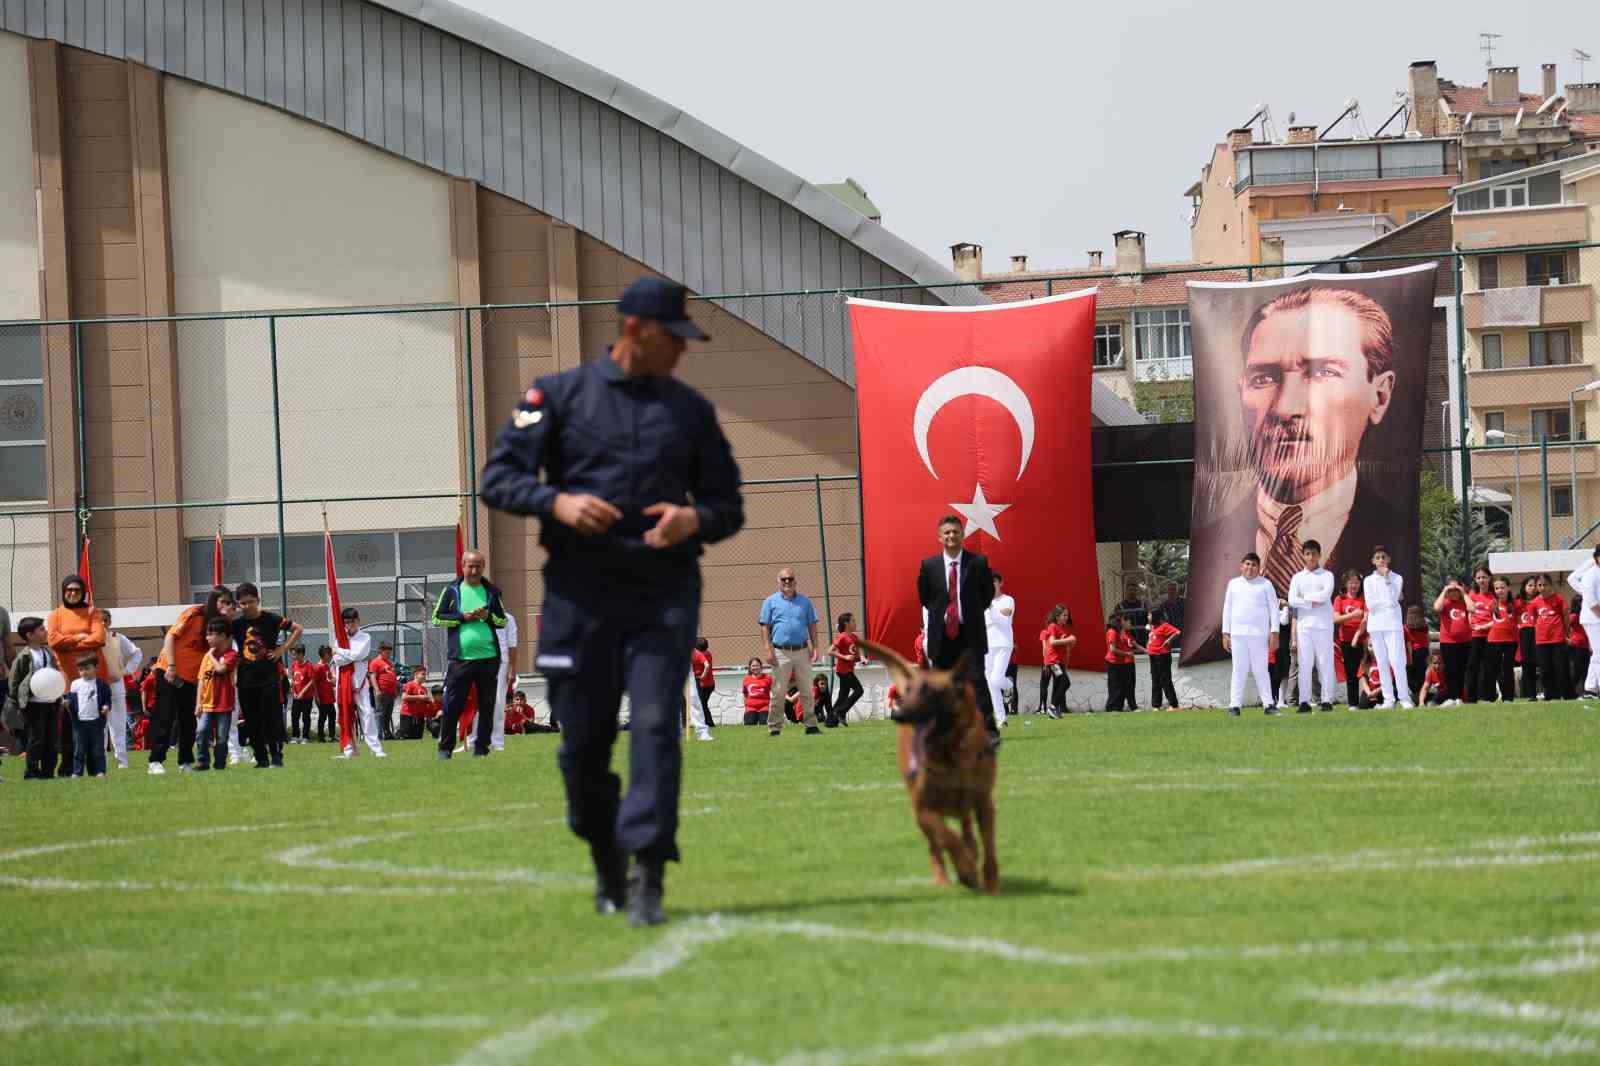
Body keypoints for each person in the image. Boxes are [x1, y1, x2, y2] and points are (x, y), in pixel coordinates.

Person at [479, 275, 744, 928]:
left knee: (656, 725)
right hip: (581, 596)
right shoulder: (559, 397)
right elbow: (499, 478)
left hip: (663, 594)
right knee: (583, 748)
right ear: (634, 331)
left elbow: (728, 505)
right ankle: (607, 861)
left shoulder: (691, 412)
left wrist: (693, 520)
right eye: (671, 338)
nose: (682, 352)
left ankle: (649, 869)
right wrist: (557, 501)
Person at [917, 514, 999, 739]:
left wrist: (968, 614)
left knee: (977, 681)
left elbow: (987, 595)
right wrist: (943, 615)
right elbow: (925, 597)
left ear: (963, 534)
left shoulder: (978, 562)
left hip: (969, 634)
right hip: (941, 635)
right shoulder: (929, 566)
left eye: (955, 531)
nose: (951, 536)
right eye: (947, 532)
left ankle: (989, 731)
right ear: (940, 537)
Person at [148, 586, 234, 775]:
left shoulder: (221, 625)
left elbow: (226, 650)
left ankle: (185, 761)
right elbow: (170, 637)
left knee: (188, 721)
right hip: (170, 672)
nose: (226, 606)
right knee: (166, 717)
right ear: (213, 601)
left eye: (229, 603)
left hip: (192, 679)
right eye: (223, 602)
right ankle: (156, 761)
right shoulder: (194, 613)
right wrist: (171, 666)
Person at [431, 550, 508, 760]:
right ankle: (445, 750)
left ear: (483, 567)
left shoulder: (492, 591)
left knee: (487, 706)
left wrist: (487, 616)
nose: (474, 570)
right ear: (463, 566)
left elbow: (503, 621)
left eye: (478, 566)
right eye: (470, 566)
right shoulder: (451, 590)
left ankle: (481, 750)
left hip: (489, 659)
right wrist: (461, 618)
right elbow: (436, 619)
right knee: (453, 706)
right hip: (460, 660)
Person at [231, 582, 301, 769]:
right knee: (251, 720)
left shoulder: (271, 619)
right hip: (245, 679)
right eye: (242, 603)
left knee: (271, 717)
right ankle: (261, 758)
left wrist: (282, 649)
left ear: (257, 600)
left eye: (250, 602)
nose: (247, 606)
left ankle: (276, 756)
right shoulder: (236, 623)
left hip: (268, 677)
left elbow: (297, 629)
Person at [45, 574, 105, 777]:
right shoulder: (56, 614)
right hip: (67, 682)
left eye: (77, 590)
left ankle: (95, 769)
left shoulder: (92, 611)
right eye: (69, 590)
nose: (72, 593)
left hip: (91, 682)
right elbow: (53, 641)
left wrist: (67, 642)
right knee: (68, 730)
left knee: (92, 729)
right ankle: (67, 769)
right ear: (63, 591)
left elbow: (99, 637)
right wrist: (80, 637)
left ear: (83, 593)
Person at [759, 569, 822, 737]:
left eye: (790, 578)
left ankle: (811, 725)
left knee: (807, 690)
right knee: (778, 692)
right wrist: (768, 649)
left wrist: (815, 647)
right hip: (780, 652)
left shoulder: (805, 602)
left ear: (795, 581)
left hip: (802, 650)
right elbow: (765, 626)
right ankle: (774, 727)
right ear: (778, 581)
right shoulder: (770, 602)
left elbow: (812, 625)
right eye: (784, 579)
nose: (787, 581)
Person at [1221, 552, 1279, 716]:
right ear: (1241, 566)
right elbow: (1227, 609)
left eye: (1253, 565)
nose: (1250, 568)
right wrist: (1226, 632)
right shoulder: (1233, 584)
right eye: (1247, 564)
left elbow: (1274, 610)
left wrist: (1274, 632)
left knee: (1261, 670)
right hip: (1238, 634)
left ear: (1259, 568)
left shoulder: (1266, 584)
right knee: (1239, 670)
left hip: (1259, 635)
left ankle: (1269, 705)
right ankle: (1234, 706)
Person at [1357, 546, 1413, 710]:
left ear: (1388, 560)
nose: (1381, 560)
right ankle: (1389, 699)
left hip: (1393, 624)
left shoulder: (1397, 578)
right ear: (1373, 561)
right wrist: (1386, 603)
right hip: (1376, 625)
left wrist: (1386, 578)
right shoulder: (1368, 580)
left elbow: (1393, 598)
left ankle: (1404, 698)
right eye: (1378, 557)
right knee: (1381, 662)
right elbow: (1371, 604)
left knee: (1397, 660)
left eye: (1383, 557)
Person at [1287, 539, 1337, 714]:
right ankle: (1304, 701)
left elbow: (1325, 595)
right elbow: (1292, 599)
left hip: (1323, 625)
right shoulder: (1297, 577)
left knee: (1325, 663)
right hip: (1304, 625)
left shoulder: (1327, 575)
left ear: (1319, 554)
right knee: (1305, 663)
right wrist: (1309, 603)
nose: (1311, 557)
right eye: (1307, 553)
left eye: (1314, 553)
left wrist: (1305, 598)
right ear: (1303, 556)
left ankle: (1326, 700)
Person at [330, 608, 387, 759]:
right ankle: (349, 749)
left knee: (367, 715)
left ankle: (376, 749)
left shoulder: (365, 637)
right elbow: (337, 660)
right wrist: (348, 655)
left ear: (358, 621)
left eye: (353, 622)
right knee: (343, 716)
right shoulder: (340, 638)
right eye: (347, 622)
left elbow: (358, 654)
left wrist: (341, 652)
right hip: (344, 684)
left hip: (360, 684)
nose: (350, 625)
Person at [94, 609, 142, 770]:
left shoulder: (118, 638)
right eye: (99, 620)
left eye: (105, 620)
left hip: (116, 685)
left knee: (118, 725)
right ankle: (101, 762)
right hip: (96, 686)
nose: (102, 623)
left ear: (110, 622)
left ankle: (122, 761)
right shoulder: (90, 639)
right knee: (100, 726)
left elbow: (137, 653)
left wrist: (126, 671)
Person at [10, 619, 56, 779]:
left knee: (51, 739)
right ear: (30, 635)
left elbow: (54, 674)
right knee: (36, 739)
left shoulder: (48, 652)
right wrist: (17, 705)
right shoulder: (23, 656)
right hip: (33, 704)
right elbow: (14, 681)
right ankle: (31, 772)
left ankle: (48, 772)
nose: (45, 632)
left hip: (51, 702)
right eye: (41, 629)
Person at [194, 618, 239, 772]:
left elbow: (220, 669)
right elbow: (201, 680)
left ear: (223, 636)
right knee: (201, 731)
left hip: (223, 704)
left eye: (211, 634)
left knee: (221, 737)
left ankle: (220, 764)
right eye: (207, 635)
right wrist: (198, 703)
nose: (208, 638)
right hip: (206, 704)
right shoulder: (207, 657)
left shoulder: (231, 654)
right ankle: (202, 762)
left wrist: (211, 656)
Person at [64, 653, 110, 778]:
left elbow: (107, 699)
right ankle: (77, 772)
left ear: (96, 668)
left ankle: (100, 771)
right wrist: (67, 702)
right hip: (79, 724)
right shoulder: (75, 684)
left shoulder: (101, 685)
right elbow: (71, 699)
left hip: (96, 722)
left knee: (98, 749)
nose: (84, 672)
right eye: (80, 669)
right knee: (79, 750)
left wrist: (106, 707)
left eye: (87, 668)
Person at [982, 573, 1016, 730]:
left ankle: (1008, 684)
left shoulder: (1007, 600)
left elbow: (1004, 620)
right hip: (987, 645)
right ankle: (1001, 719)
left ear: (1000, 583)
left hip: (1003, 643)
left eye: (993, 582)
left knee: (996, 680)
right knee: (990, 684)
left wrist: (991, 608)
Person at [1567, 546, 1600, 697]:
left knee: (1597, 654)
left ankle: (1590, 688)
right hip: (1593, 618)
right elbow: (1572, 579)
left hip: (1595, 615)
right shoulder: (1590, 571)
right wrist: (1586, 593)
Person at [1433, 580, 1472, 708]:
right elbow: (1436, 607)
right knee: (1450, 670)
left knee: (1461, 670)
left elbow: (1473, 608)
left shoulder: (1464, 603)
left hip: (1464, 641)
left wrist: (1463, 592)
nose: (1454, 593)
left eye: (1456, 591)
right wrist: (1445, 590)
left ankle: (1459, 698)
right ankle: (1451, 697)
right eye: (1451, 591)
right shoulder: (1445, 603)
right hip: (1448, 641)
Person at [1532, 574, 1570, 701]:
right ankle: (1550, 694)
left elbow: (1565, 616)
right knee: (1545, 669)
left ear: (1550, 585)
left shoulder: (1558, 599)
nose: (1542, 588)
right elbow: (1534, 619)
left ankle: (1566, 694)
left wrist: (1566, 632)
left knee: (1561, 667)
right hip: (1542, 640)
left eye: (1545, 585)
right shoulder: (1534, 602)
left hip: (1557, 638)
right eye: (1540, 585)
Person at [1332, 570, 1367, 708]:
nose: (1354, 585)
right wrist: (1354, 615)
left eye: (1357, 583)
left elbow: (1365, 618)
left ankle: (1369, 701)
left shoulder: (1364, 597)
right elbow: (1336, 619)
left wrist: (1359, 620)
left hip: (1363, 639)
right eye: (1351, 582)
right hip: (1346, 640)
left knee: (1366, 671)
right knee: (1351, 672)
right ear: (1345, 584)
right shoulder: (1339, 599)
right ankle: (1353, 703)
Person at [1464, 566, 1496, 703]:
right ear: (1475, 580)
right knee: (1472, 667)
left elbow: (1498, 618)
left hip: (1491, 636)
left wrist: (1484, 626)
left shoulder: (1495, 596)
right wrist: (1471, 623)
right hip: (1475, 637)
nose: (1482, 580)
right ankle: (1471, 699)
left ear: (1489, 578)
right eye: (1479, 578)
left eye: (1484, 577)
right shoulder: (1471, 595)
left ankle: (1489, 697)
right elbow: (1468, 614)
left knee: (1490, 667)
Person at [1486, 578, 1519, 703]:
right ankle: (1489, 697)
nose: (1500, 591)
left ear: (1508, 588)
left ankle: (1508, 697)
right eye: (1497, 588)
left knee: (1507, 669)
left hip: (1511, 641)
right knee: (1492, 669)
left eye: (1502, 587)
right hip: (1494, 641)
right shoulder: (1492, 604)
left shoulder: (1515, 604)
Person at [490, 614, 520, 753]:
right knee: (477, 702)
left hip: (501, 661)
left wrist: (512, 670)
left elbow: (512, 645)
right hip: (479, 660)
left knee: (498, 701)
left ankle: (497, 741)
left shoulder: (508, 618)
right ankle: (474, 739)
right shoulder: (479, 615)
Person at [1103, 612, 1144, 712]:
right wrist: (1127, 654)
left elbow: (1133, 646)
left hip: (1120, 663)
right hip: (1113, 663)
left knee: (1121, 687)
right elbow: (1113, 649)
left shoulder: (1119, 632)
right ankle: (1111, 707)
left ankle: (1118, 707)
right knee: (1114, 686)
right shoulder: (1112, 632)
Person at [1039, 606, 1075, 718]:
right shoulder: (1052, 626)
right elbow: (1052, 642)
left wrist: (1070, 643)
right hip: (1053, 661)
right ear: (1057, 616)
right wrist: (1069, 640)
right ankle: (1052, 707)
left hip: (1059, 662)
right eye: (1064, 615)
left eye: (1067, 615)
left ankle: (1054, 709)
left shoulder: (1062, 629)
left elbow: (1065, 646)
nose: (1066, 617)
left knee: (1060, 683)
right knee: (1065, 682)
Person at [829, 614, 864, 727]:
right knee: (859, 690)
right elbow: (830, 651)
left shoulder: (854, 637)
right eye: (853, 621)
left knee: (842, 697)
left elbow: (857, 653)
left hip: (849, 670)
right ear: (846, 624)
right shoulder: (842, 636)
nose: (855, 623)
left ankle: (830, 721)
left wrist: (862, 658)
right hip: (843, 671)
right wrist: (845, 657)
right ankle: (840, 712)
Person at [1147, 608, 1181, 710]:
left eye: (1149, 615)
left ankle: (1174, 705)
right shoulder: (1152, 627)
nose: (1148, 617)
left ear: (1155, 617)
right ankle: (1156, 705)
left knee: (1165, 680)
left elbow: (1177, 632)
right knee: (1155, 679)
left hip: (1162, 656)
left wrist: (1168, 640)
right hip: (1153, 656)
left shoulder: (1164, 626)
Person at [369, 642, 399, 743]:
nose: (389, 655)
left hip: (391, 693)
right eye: (387, 653)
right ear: (381, 651)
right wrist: (377, 690)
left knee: (387, 714)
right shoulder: (375, 662)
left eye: (390, 653)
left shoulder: (389, 663)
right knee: (380, 714)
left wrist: (395, 690)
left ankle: (387, 733)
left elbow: (393, 677)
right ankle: (378, 735)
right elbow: (372, 676)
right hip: (382, 692)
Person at [1517, 577, 1541, 699]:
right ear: (1524, 587)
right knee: (1527, 665)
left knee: (1542, 664)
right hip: (1524, 634)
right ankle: (1531, 694)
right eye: (1529, 585)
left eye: (1534, 585)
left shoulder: (1541, 600)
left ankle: (1550, 692)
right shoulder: (1518, 602)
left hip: (1539, 633)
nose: (1532, 588)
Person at [1404, 605, 1432, 705]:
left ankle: (1416, 698)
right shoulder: (1425, 626)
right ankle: (1423, 697)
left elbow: (1409, 645)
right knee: (1423, 677)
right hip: (1424, 652)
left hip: (1414, 653)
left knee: (1413, 678)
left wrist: (1410, 660)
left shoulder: (1406, 627)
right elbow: (1428, 640)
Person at [288, 645, 315, 744]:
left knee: (305, 717)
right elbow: (292, 678)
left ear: (301, 654)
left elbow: (312, 681)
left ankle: (305, 737)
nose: (293, 656)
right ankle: (295, 736)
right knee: (294, 716)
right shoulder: (294, 665)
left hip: (307, 697)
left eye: (294, 654)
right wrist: (292, 689)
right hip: (296, 697)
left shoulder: (308, 665)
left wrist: (302, 692)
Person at [691, 638, 717, 732]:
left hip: (703, 684)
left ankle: (707, 723)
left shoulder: (699, 655)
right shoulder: (708, 653)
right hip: (710, 684)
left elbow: (706, 666)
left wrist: (702, 676)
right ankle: (708, 722)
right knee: (703, 704)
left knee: (701, 704)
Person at [399, 665, 431, 739]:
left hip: (420, 717)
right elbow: (404, 697)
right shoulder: (410, 684)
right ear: (416, 674)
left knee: (418, 739)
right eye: (423, 674)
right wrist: (420, 697)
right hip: (408, 716)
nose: (424, 676)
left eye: (425, 674)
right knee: (407, 740)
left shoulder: (424, 689)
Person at [1568, 596, 1591, 698]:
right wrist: (1569, 640)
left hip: (1586, 645)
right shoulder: (1573, 616)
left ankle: (1586, 691)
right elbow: (1564, 627)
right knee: (1578, 670)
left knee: (1586, 670)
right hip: (1577, 645)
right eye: (1579, 602)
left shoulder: (1586, 614)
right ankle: (1569, 690)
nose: (1581, 603)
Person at [313, 646, 336, 742]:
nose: (330, 656)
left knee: (332, 715)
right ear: (325, 654)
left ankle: (331, 736)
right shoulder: (318, 667)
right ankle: (321, 737)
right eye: (329, 654)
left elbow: (330, 678)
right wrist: (317, 696)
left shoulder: (326, 665)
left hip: (329, 696)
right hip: (322, 697)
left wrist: (333, 681)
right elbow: (313, 683)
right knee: (322, 717)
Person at [741, 659, 771, 726]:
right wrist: (746, 706)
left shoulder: (768, 678)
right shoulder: (746, 679)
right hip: (750, 708)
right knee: (749, 724)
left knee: (765, 723)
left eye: (757, 665)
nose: (755, 667)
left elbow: (775, 692)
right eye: (753, 666)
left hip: (764, 708)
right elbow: (745, 694)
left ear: (761, 666)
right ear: (750, 667)